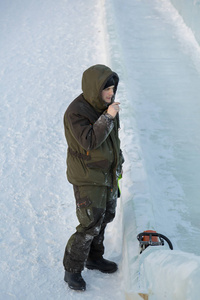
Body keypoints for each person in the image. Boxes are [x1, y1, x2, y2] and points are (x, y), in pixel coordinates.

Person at [63, 64, 124, 291]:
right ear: (93, 89)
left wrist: (120, 163)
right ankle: (72, 269)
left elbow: (113, 142)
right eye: (106, 89)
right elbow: (89, 140)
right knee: (90, 223)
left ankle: (94, 258)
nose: (111, 93)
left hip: (107, 174)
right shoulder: (76, 112)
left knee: (106, 217)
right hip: (88, 177)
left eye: (113, 88)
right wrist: (107, 117)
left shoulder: (108, 107)